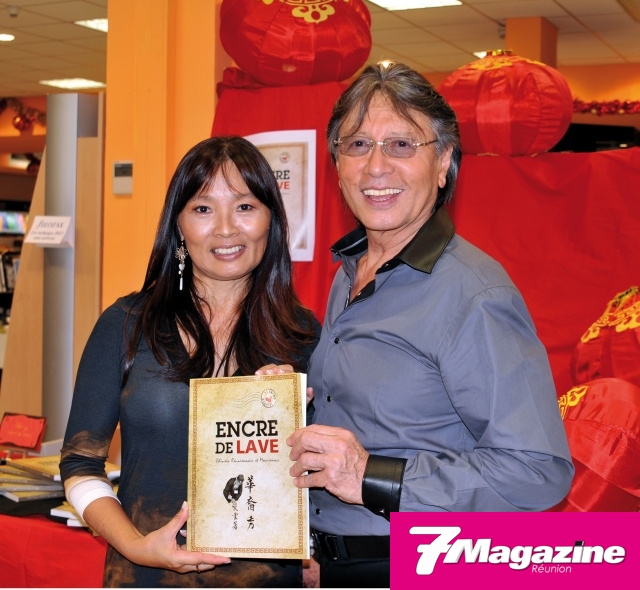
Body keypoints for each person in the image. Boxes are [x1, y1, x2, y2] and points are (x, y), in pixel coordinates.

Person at [286, 62, 575, 588]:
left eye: (401, 145)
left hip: (420, 566)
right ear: (337, 164)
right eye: (357, 145)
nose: (376, 167)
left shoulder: (473, 294)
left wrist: (369, 475)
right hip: (337, 566)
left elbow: (537, 469)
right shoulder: (350, 271)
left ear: (443, 162)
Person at [60, 136, 320, 588]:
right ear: (178, 224)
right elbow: (80, 465)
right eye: (203, 209)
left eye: (245, 206)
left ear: (271, 220)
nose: (225, 229)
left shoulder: (302, 335)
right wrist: (137, 545)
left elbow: (320, 472)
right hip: (145, 577)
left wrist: (292, 416)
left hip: (266, 579)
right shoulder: (126, 324)